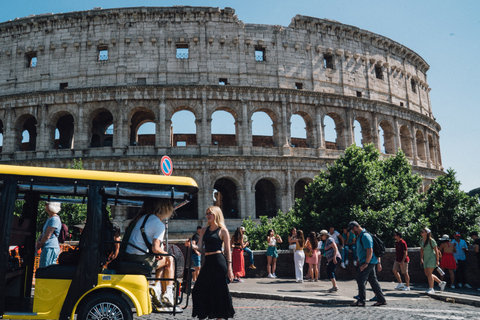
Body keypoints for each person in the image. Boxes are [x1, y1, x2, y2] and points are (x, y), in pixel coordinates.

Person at [123, 199, 176, 307]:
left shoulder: (144, 217)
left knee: (161, 259)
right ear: (168, 211)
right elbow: (155, 248)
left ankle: (158, 287)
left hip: (130, 254)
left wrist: (161, 253)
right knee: (170, 259)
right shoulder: (159, 225)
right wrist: (168, 254)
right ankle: (168, 292)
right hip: (139, 257)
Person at [191, 206, 235, 319]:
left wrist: (230, 269)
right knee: (198, 289)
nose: (208, 215)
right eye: (207, 213)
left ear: (216, 214)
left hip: (219, 262)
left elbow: (227, 251)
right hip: (208, 262)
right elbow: (200, 246)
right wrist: (192, 245)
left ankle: (219, 317)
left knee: (219, 290)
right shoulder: (204, 230)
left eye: (210, 213)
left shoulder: (223, 230)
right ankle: (202, 314)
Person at [348, 221, 387, 307]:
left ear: (355, 228)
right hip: (368, 261)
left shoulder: (365, 236)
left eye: (351, 230)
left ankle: (361, 301)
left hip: (368, 262)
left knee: (360, 280)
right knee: (373, 281)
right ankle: (381, 299)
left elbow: (370, 250)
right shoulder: (360, 236)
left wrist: (365, 263)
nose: (351, 232)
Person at [419, 227, 446, 294]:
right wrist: (421, 258)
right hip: (426, 258)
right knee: (427, 274)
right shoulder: (421, 240)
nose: (421, 232)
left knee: (429, 273)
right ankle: (441, 283)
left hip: (432, 257)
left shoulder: (431, 241)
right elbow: (422, 250)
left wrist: (437, 260)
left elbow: (436, 251)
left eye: (423, 231)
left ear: (427, 233)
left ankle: (431, 288)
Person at [36, 202, 62, 268]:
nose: (45, 205)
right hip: (48, 247)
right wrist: (38, 241)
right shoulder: (50, 218)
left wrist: (40, 243)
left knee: (45, 268)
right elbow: (44, 233)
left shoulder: (54, 219)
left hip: (50, 247)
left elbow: (47, 235)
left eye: (46, 204)